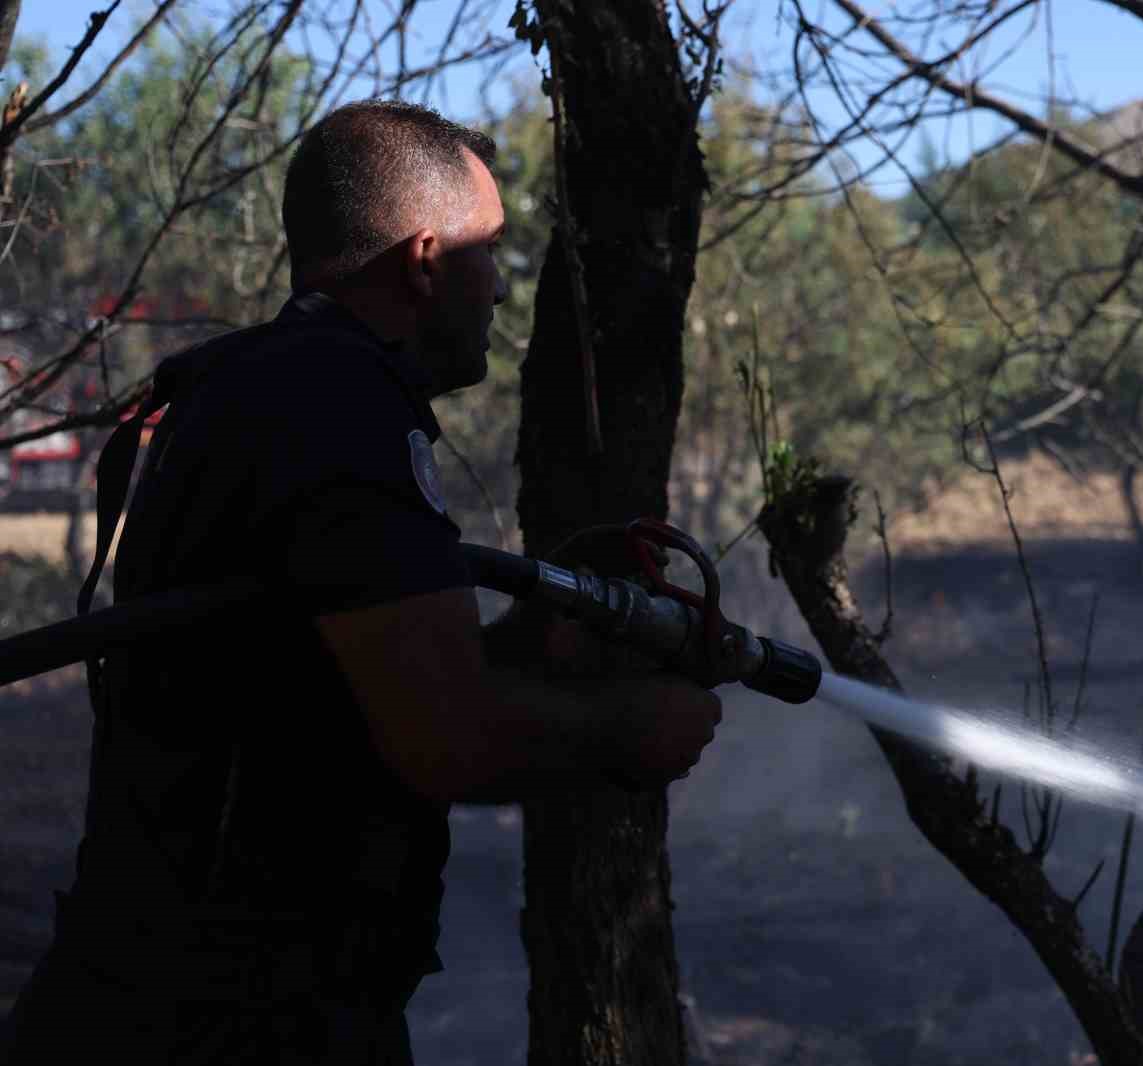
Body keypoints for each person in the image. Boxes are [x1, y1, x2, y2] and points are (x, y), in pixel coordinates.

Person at [0, 100, 723, 1064]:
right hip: (229, 1022)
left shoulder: (267, 388)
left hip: (169, 992)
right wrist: (633, 731)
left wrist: (539, 643)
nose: (502, 291)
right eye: (491, 253)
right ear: (425, 260)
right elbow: (443, 736)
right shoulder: (336, 405)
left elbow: (334, 678)